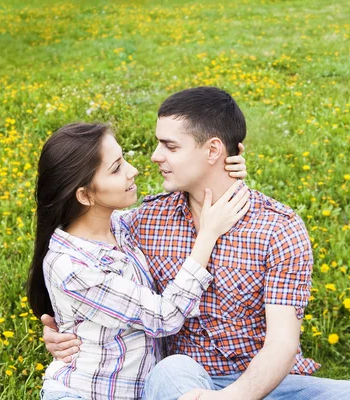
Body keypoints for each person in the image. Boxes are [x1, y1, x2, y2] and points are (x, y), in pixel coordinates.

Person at [43, 87, 350, 400]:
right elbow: (82, 257)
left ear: (212, 151)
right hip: (182, 384)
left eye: (169, 147)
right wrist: (61, 329)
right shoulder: (141, 222)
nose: (154, 157)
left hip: (266, 384)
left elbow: (282, 344)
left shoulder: (279, 228)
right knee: (174, 370)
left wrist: (235, 397)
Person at [27, 121, 251, 400]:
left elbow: (179, 201)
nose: (133, 171)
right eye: (117, 168)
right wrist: (207, 236)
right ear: (85, 195)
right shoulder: (72, 267)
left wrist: (221, 171)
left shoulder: (121, 226)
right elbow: (163, 316)